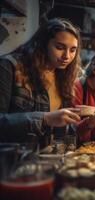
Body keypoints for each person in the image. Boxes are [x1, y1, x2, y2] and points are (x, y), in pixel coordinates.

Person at [0, 18, 81, 147]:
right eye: (60, 47)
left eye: (72, 50)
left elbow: (59, 131)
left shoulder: (64, 76)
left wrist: (86, 124)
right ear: (43, 44)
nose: (67, 56)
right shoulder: (10, 66)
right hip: (12, 159)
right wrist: (44, 118)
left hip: (43, 159)